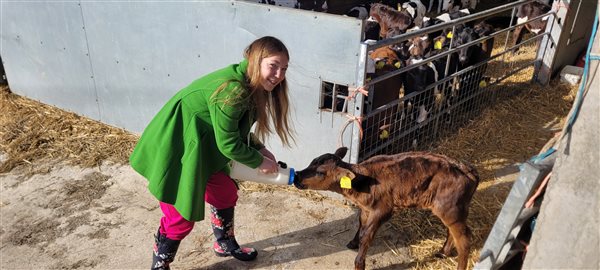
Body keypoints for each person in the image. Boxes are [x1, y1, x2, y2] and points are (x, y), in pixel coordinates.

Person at [129, 36, 295, 270]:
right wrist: (259, 162)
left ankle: (225, 242)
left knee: (225, 193)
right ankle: (160, 263)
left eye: (284, 68)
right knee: (180, 218)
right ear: (254, 60)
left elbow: (236, 128)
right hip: (179, 147)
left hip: (205, 146)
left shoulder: (254, 85)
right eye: (273, 65)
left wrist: (260, 148)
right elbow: (228, 143)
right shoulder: (233, 90)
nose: (279, 75)